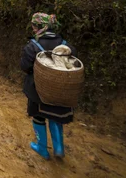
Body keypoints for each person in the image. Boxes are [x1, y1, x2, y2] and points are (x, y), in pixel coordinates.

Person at [20, 13, 77, 160]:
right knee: (55, 117)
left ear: (39, 27)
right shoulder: (65, 45)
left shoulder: (33, 46)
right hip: (61, 91)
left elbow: (25, 67)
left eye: (33, 25)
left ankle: (42, 148)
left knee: (39, 117)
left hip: (38, 92)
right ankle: (59, 148)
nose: (32, 28)